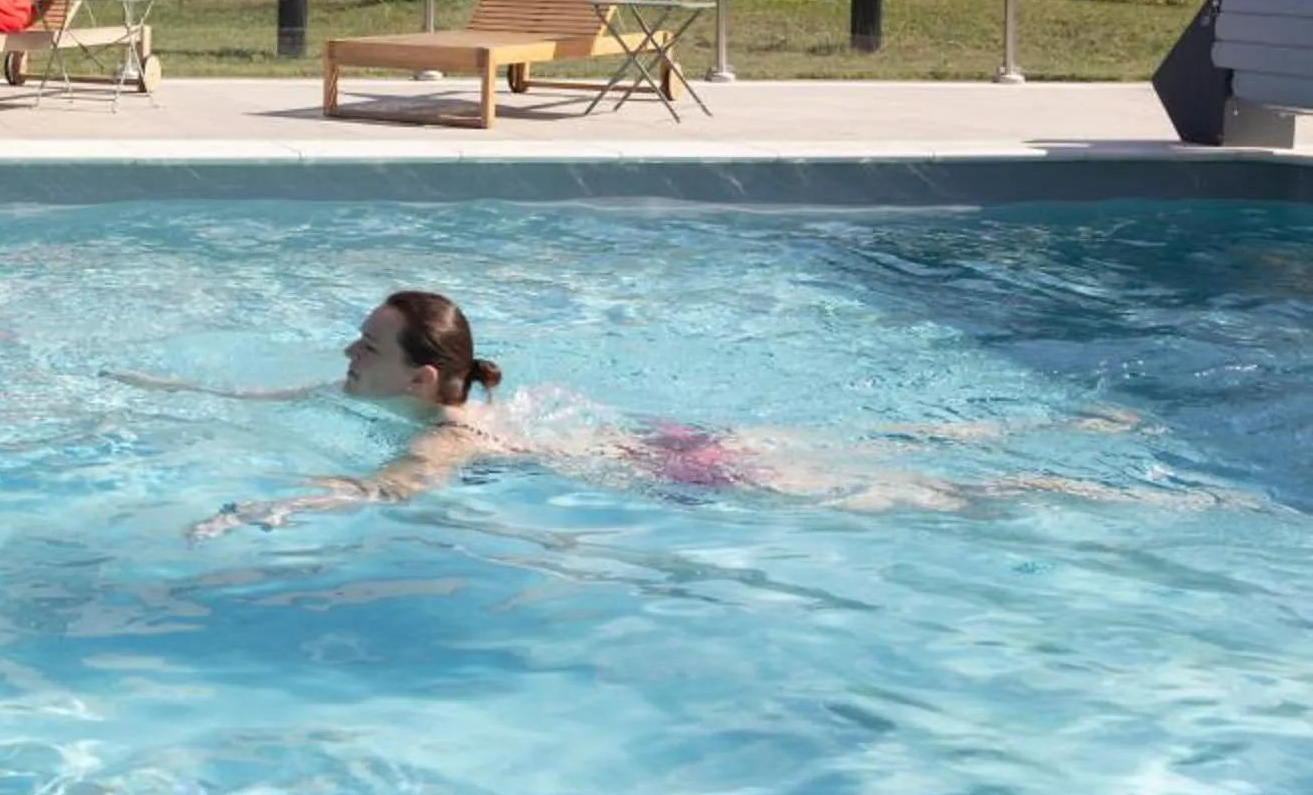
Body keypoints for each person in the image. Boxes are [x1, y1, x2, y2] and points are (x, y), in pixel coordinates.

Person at [106, 291, 1212, 540]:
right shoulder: (386, 392)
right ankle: (1071, 435)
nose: (344, 356)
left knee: (920, 492)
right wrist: (151, 390)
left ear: (427, 379)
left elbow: (384, 490)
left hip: (687, 471)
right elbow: (274, 393)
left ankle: (1085, 485)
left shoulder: (448, 432)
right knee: (895, 448)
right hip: (662, 439)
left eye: (365, 347)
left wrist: (264, 507)